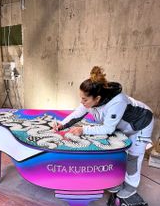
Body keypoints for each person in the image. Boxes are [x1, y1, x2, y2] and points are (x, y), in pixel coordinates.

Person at [54, 66, 154, 198]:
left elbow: (108, 129)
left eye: (84, 99)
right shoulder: (92, 100)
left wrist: (83, 130)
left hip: (141, 124)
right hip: (122, 126)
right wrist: (62, 124)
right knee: (116, 152)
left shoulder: (118, 101)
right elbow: (78, 113)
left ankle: (131, 187)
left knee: (133, 157)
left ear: (97, 98)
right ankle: (117, 181)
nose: (81, 102)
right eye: (81, 98)